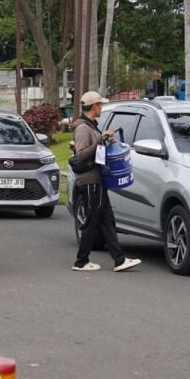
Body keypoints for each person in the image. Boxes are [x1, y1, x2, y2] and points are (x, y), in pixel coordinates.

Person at [71, 91, 141, 273]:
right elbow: (81, 154)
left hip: (97, 180)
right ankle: (81, 261)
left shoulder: (91, 126)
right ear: (94, 107)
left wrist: (105, 140)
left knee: (107, 221)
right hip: (89, 181)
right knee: (92, 222)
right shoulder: (83, 128)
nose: (101, 108)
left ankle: (119, 260)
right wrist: (101, 139)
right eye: (100, 105)